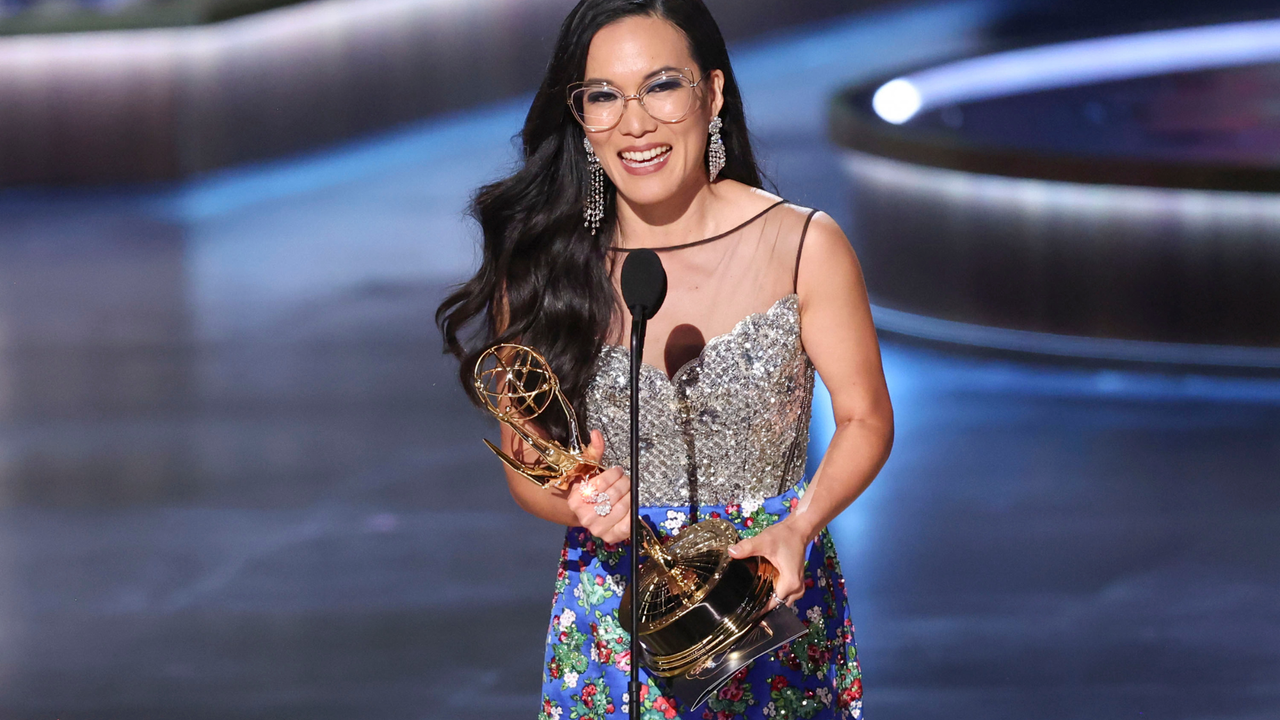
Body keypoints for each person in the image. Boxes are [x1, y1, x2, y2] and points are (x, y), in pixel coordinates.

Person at [437, 1, 893, 717]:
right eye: (604, 96)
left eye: (660, 86)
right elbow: (527, 465)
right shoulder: (544, 265)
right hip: (615, 618)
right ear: (580, 115)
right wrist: (578, 500)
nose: (634, 123)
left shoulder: (802, 244)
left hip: (768, 593)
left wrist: (801, 523)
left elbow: (865, 418)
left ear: (711, 93)